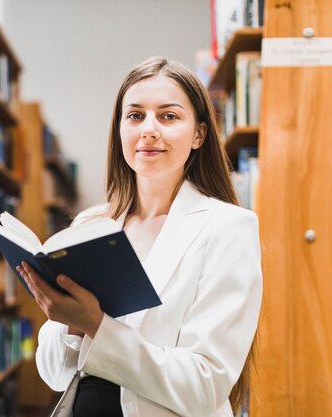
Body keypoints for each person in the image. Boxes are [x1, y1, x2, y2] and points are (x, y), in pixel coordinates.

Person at [17, 57, 262, 417]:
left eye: (168, 116)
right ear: (119, 129)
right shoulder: (91, 224)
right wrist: (68, 321)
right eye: (135, 116)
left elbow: (204, 384)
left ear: (199, 134)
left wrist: (95, 324)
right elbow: (55, 374)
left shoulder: (228, 228)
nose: (149, 129)